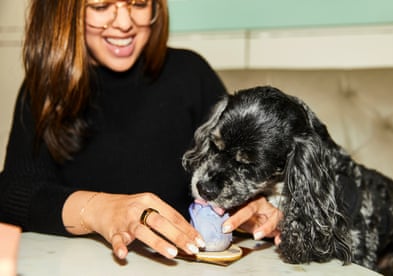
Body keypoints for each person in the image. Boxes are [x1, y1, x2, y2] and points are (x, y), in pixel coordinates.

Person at [0, 0, 282, 260]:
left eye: (138, 3)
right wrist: (100, 211)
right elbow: (14, 192)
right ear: (65, 14)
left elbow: (240, 168)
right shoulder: (45, 90)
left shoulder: (190, 73)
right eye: (101, 5)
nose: (124, 22)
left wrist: (252, 207)